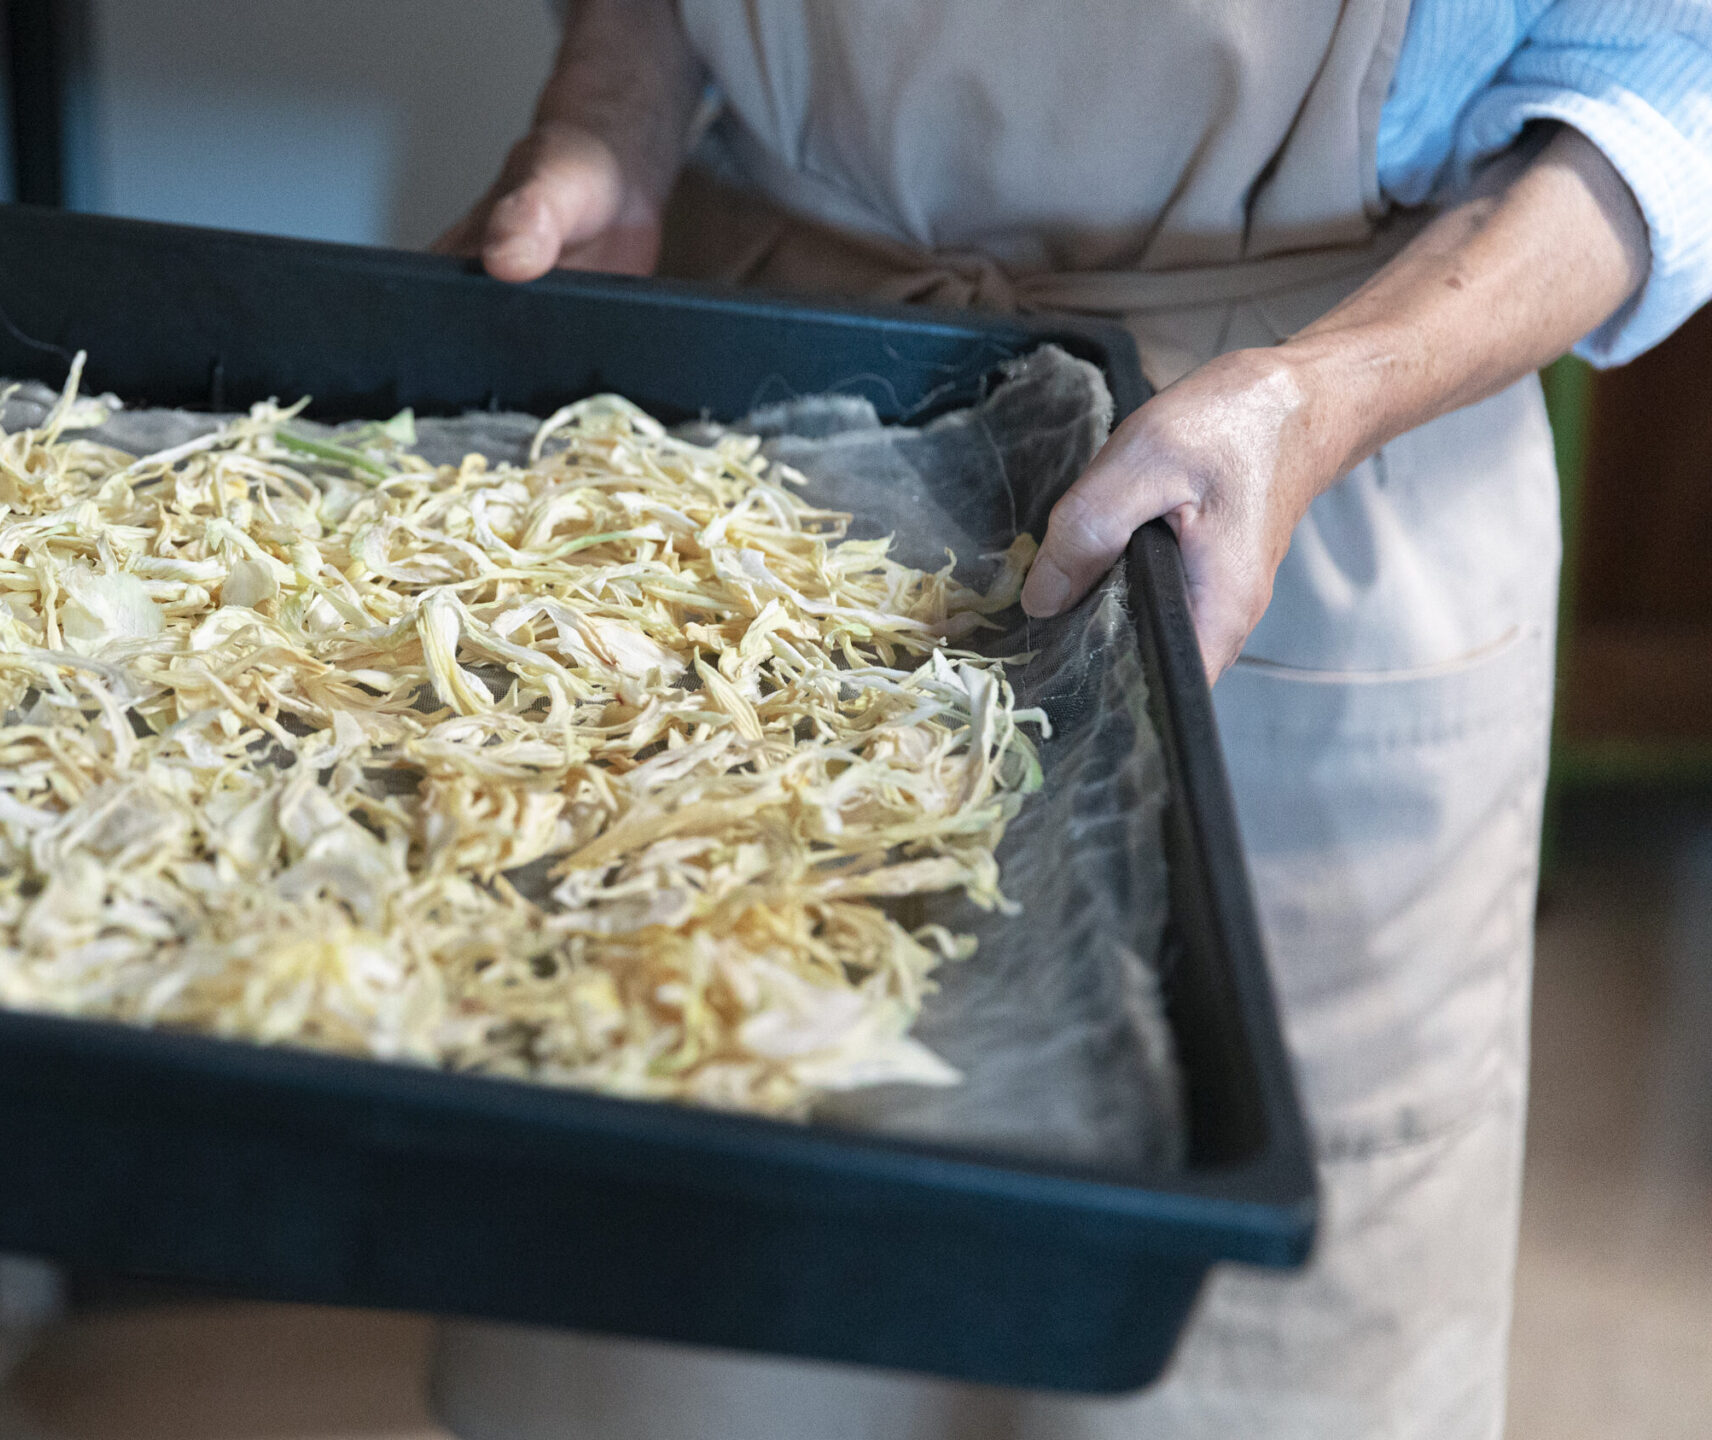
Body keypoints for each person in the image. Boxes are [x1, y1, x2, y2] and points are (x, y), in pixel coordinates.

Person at [424, 2, 1712, 1438]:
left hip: (1311, 454)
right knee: (700, 1296)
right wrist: (618, 121)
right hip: (758, 422)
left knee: (1210, 1359)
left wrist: (1322, 396)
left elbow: (1666, 77)